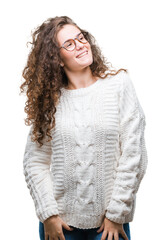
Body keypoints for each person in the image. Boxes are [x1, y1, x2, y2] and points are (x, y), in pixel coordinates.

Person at [20, 16, 148, 240]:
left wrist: (117, 214)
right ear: (57, 58)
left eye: (81, 37)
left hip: (109, 226)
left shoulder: (119, 84)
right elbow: (35, 161)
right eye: (69, 44)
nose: (80, 45)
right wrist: (48, 215)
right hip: (60, 227)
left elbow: (134, 154)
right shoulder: (49, 101)